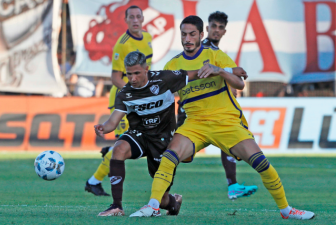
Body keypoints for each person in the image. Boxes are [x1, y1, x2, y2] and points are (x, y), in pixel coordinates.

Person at [130, 16, 315, 220]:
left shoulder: (215, 55)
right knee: (169, 157)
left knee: (262, 163)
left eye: (192, 34)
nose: (187, 39)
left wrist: (219, 71)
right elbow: (161, 95)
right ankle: (153, 205)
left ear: (201, 35)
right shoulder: (173, 64)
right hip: (195, 123)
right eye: (184, 34)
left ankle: (286, 210)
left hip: (225, 122)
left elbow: (240, 83)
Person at [95, 51, 222, 216]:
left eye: (136, 73)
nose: (132, 78)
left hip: (163, 142)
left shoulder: (164, 79)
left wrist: (227, 72)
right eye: (129, 74)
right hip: (140, 135)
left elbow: (196, 74)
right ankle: (116, 206)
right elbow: (113, 122)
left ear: (146, 69)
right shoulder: (125, 93)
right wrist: (103, 128)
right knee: (118, 149)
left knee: (162, 199)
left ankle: (174, 203)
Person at [85, 5, 153, 196]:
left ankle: (95, 178)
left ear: (143, 18)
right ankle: (95, 183)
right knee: (123, 144)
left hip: (140, 96)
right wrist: (134, 93)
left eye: (138, 17)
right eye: (131, 17)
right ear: (126, 20)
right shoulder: (122, 44)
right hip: (124, 98)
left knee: (130, 142)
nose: (135, 20)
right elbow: (115, 77)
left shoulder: (148, 38)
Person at [202, 11, 258, 199]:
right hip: (198, 109)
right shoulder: (203, 50)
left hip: (214, 108)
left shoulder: (218, 53)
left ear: (224, 31)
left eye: (220, 28)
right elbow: (206, 71)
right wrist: (229, 72)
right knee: (178, 153)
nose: (216, 31)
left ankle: (233, 185)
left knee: (228, 144)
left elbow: (230, 78)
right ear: (207, 28)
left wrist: (229, 81)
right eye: (213, 27)